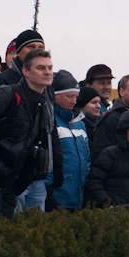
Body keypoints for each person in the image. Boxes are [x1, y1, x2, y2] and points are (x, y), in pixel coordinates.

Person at [0, 49, 62, 220]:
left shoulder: (45, 101)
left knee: (30, 236)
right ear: (26, 71)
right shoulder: (6, 94)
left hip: (30, 177)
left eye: (50, 68)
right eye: (41, 68)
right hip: (1, 180)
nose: (47, 72)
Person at [86, 110, 129, 208]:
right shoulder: (109, 154)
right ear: (123, 132)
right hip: (112, 213)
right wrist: (106, 203)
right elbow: (94, 181)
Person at [47, 71, 90, 210]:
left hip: (78, 199)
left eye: (76, 96)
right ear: (54, 95)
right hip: (56, 198)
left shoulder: (79, 123)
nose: (74, 101)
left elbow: (87, 159)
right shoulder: (49, 121)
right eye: (69, 96)